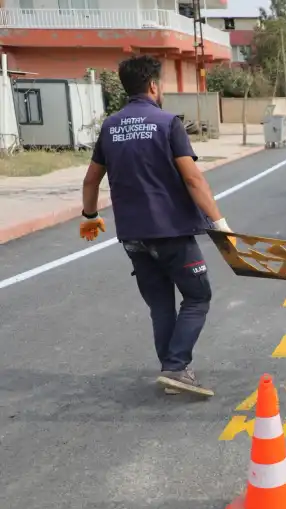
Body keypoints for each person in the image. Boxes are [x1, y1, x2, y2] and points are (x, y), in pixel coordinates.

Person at [79, 55, 232, 397]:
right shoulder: (167, 124)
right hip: (171, 232)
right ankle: (176, 367)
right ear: (153, 86)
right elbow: (193, 179)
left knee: (161, 305)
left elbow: (91, 181)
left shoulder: (111, 126)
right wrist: (219, 224)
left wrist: (90, 217)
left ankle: (173, 372)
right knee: (197, 296)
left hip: (133, 235)